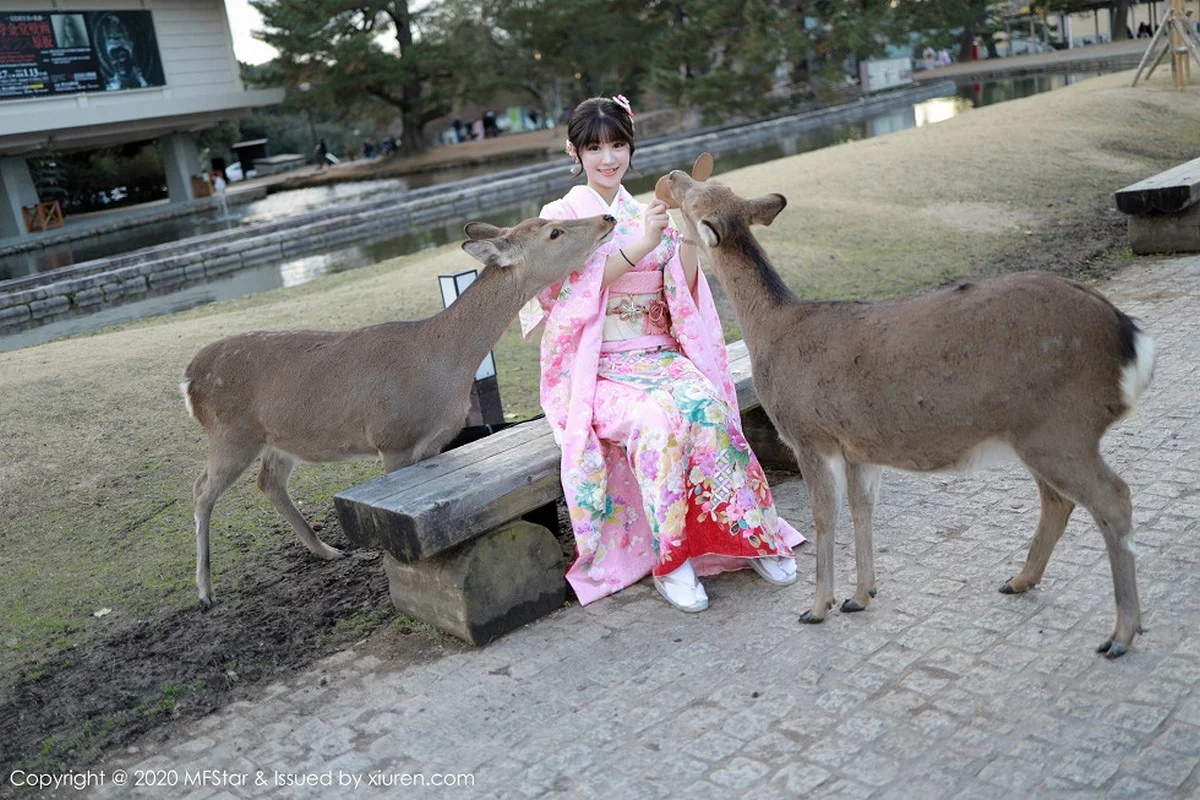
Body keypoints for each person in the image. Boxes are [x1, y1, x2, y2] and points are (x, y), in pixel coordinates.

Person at [518, 95, 804, 613]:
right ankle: (673, 561)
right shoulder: (559, 217)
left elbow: (686, 293)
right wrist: (638, 248)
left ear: (631, 148)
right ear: (574, 152)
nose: (608, 159)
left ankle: (747, 535)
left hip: (657, 352)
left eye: (618, 145)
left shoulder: (647, 210)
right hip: (598, 367)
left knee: (708, 406)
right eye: (595, 148)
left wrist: (686, 236)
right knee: (656, 420)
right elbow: (557, 301)